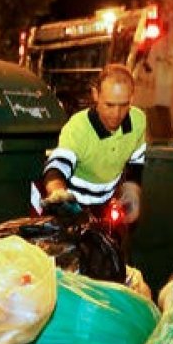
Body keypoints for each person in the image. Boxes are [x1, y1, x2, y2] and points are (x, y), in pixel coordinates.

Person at [36, 63, 147, 224]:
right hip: (73, 207)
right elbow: (60, 164)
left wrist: (133, 190)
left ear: (132, 98)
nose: (116, 114)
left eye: (124, 105)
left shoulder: (138, 121)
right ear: (96, 95)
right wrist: (57, 191)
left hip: (104, 207)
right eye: (109, 105)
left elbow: (136, 162)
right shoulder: (78, 126)